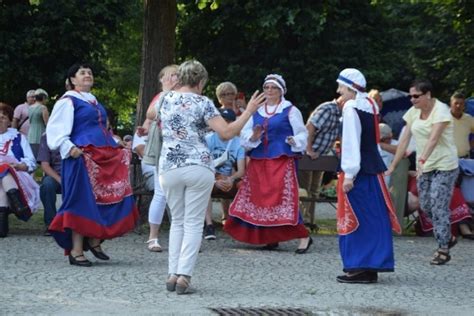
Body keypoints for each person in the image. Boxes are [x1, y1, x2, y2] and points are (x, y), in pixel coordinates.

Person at [146, 60, 265, 294]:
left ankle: (171, 273)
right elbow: (227, 133)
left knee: (177, 221)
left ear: (179, 78)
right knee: (192, 223)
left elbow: (151, 114)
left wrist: (169, 91)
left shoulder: (163, 99)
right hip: (198, 166)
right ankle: (184, 276)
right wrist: (249, 111)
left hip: (168, 166)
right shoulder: (203, 103)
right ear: (201, 82)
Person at [46, 63, 138, 267]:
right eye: (82, 73)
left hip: (101, 155)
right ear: (72, 80)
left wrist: (116, 141)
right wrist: (69, 147)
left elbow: (100, 130)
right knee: (81, 201)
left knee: (103, 199)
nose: (87, 75)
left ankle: (94, 240)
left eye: (89, 72)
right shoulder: (67, 101)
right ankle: (76, 250)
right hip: (80, 157)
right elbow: (56, 131)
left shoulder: (94, 101)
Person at [224, 73, 312, 254]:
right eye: (266, 87)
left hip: (281, 160)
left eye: (274, 88)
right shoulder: (255, 111)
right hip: (258, 161)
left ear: (281, 91)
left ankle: (304, 236)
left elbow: (303, 134)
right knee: (261, 199)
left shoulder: (290, 110)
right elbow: (244, 136)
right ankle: (270, 237)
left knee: (283, 199)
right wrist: (254, 137)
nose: (270, 91)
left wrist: (293, 141)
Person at [335, 68, 400, 284]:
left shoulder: (352, 107)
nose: (338, 91)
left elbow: (351, 142)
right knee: (373, 217)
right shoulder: (369, 105)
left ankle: (360, 266)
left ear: (351, 87)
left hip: (359, 171)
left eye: (341, 87)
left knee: (357, 217)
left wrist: (350, 174)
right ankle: (371, 265)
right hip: (372, 170)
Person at [387, 79, 459, 265]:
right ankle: (448, 237)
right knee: (425, 205)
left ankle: (443, 248)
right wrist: (393, 165)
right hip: (425, 166)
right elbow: (403, 141)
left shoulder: (441, 111)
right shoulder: (413, 112)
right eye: (410, 96)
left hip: (444, 165)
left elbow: (434, 139)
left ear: (428, 95)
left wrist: (421, 159)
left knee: (438, 202)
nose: (412, 99)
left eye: (416, 96)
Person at [136, 64, 178, 252]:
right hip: (161, 148)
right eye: (170, 75)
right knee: (161, 193)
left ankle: (183, 237)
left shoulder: (185, 96)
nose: (174, 78)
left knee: (180, 195)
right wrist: (144, 130)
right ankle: (153, 237)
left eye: (177, 75)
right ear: (162, 79)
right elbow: (150, 115)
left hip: (179, 149)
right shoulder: (160, 96)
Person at [203, 108, 246, 240]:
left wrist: (231, 179)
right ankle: (208, 224)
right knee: (204, 185)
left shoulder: (239, 143)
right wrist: (216, 178)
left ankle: (239, 224)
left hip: (229, 179)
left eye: (228, 122)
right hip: (211, 176)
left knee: (244, 187)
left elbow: (241, 171)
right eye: (222, 121)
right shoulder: (209, 139)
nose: (224, 124)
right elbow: (203, 164)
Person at [299, 96, 343, 220]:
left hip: (320, 157)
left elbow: (336, 135)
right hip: (308, 156)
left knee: (314, 191)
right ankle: (302, 221)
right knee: (304, 190)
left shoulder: (341, 115)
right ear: (343, 102)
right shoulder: (328, 109)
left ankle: (309, 220)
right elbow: (310, 127)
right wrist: (309, 150)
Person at [0, 102, 40, 237]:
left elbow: (31, 162)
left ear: (10, 122)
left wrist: (19, 166)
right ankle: (19, 208)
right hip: (6, 181)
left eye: (4, 116)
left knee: (5, 170)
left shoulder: (18, 138)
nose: (0, 118)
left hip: (17, 177)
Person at [37, 133, 62, 236]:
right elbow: (45, 165)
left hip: (77, 176)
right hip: (56, 175)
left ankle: (78, 224)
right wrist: (60, 180)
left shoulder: (79, 133)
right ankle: (51, 224)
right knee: (47, 184)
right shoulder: (48, 136)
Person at [449, 91, 474, 158]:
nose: (458, 106)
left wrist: (471, 145)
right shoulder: (443, 118)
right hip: (447, 161)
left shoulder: (469, 119)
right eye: (456, 103)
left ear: (464, 105)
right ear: (451, 104)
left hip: (465, 158)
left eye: (461, 103)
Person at [28, 89, 49, 158]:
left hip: (30, 136)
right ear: (43, 98)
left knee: (32, 156)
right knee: (41, 158)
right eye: (46, 98)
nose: (46, 101)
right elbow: (47, 123)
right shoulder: (43, 108)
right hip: (40, 135)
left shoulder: (30, 107)